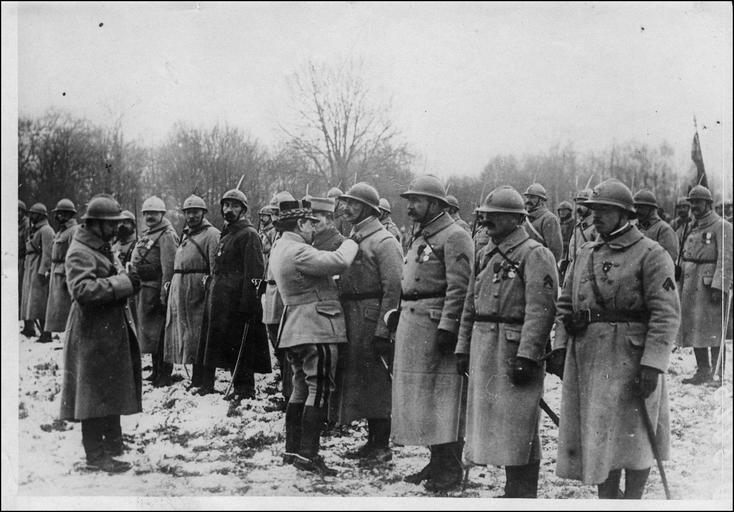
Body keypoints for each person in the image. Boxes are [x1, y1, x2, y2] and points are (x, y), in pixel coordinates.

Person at [550, 178, 680, 499]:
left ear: (626, 215)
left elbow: (665, 314)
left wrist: (653, 364)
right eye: (594, 210)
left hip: (631, 357)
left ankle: (632, 499)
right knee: (599, 434)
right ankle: (607, 498)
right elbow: (566, 303)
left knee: (634, 436)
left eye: (605, 211)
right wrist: (560, 347)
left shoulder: (651, 253)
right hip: (590, 358)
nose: (596, 217)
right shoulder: (586, 252)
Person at [457, 186, 557, 498]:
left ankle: (522, 492)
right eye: (485, 216)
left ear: (515, 219)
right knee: (495, 423)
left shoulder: (535, 254)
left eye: (494, 216)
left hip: (514, 350)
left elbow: (541, 311)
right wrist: (463, 347)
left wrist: (528, 355)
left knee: (520, 424)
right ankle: (512, 489)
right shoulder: (484, 252)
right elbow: (469, 306)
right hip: (485, 347)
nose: (486, 221)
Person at [391, 175, 473, 492]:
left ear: (435, 204)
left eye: (417, 201)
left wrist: (449, 327)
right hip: (415, 326)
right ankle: (436, 460)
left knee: (444, 398)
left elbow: (460, 287)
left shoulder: (454, 236)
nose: (410, 206)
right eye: (409, 200)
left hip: (435, 326)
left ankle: (450, 467)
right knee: (424, 399)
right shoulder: (423, 235)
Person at [269, 198, 359, 476]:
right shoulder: (298, 250)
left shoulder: (279, 247)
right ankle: (309, 456)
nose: (314, 228)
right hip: (316, 327)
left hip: (295, 327)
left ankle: (293, 450)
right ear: (299, 223)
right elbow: (339, 261)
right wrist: (352, 241)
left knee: (300, 388)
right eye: (310, 223)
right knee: (319, 389)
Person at [59, 194, 142, 473]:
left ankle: (112, 445)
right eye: (111, 224)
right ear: (95, 224)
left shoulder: (100, 246)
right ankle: (95, 456)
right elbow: (82, 291)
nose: (116, 229)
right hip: (91, 333)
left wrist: (126, 279)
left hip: (107, 331)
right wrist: (123, 283)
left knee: (109, 389)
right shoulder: (80, 251)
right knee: (92, 395)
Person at [332, 183, 402, 463]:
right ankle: (371, 441)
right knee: (360, 380)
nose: (345, 207)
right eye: (345, 202)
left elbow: (394, 288)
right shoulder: (356, 237)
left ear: (368, 209)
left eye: (353, 204)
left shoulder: (384, 242)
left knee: (377, 382)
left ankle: (381, 444)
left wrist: (384, 330)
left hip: (371, 318)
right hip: (352, 315)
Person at [194, 189, 271, 404]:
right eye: (226, 205)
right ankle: (235, 386)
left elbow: (255, 272)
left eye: (234, 206)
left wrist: (248, 304)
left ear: (244, 210)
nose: (229, 210)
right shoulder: (227, 233)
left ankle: (245, 390)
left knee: (242, 346)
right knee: (227, 344)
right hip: (222, 302)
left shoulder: (249, 235)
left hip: (239, 303)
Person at [677, 185, 732, 385]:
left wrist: (720, 286)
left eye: (697, 202)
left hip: (709, 285)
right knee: (694, 328)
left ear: (708, 203)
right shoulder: (692, 226)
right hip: (691, 284)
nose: (693, 206)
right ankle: (703, 370)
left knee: (714, 330)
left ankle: (718, 374)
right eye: (691, 202)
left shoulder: (721, 226)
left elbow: (726, 259)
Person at [163, 195, 220, 373]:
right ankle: (196, 378)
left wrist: (209, 287)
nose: (191, 216)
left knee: (200, 334)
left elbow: (214, 267)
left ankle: (204, 380)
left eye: (195, 212)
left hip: (198, 289)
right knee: (187, 335)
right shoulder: (186, 233)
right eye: (187, 212)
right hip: (181, 288)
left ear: (203, 213)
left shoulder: (212, 234)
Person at [130, 196, 179, 387]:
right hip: (144, 290)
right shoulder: (148, 234)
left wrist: (165, 293)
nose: (150, 216)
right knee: (149, 333)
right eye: (147, 213)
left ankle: (165, 373)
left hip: (157, 290)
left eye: (154, 213)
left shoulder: (166, 235)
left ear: (162, 214)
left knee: (160, 334)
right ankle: (156, 370)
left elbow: (169, 267)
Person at [262, 191, 295, 403]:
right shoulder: (276, 235)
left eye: (278, 213)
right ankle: (285, 384)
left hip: (285, 294)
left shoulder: (291, 235)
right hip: (271, 291)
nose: (274, 218)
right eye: (273, 213)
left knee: (287, 345)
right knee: (274, 337)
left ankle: (290, 392)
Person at [44, 199, 80, 335]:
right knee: (57, 308)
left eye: (60, 213)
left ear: (68, 214)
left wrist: (69, 275)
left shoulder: (73, 231)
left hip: (64, 274)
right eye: (57, 213)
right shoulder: (61, 232)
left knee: (67, 309)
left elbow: (74, 254)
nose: (57, 216)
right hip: (56, 271)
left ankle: (73, 335)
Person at [21, 203, 55, 342]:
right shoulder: (35, 229)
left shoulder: (46, 230)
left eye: (34, 214)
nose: (31, 216)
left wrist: (43, 271)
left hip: (38, 267)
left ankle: (46, 333)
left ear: (41, 215)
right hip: (30, 265)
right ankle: (30, 328)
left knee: (40, 301)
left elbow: (48, 254)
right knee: (30, 300)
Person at [632, 190, 679, 263]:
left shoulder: (663, 229)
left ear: (651, 209)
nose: (636, 211)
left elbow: (669, 259)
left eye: (641, 207)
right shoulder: (634, 227)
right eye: (635, 207)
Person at [523, 183, 564, 263]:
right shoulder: (524, 218)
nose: (528, 200)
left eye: (532, 197)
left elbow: (555, 251)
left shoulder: (549, 219)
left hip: (540, 266)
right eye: (527, 197)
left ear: (541, 200)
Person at [112, 210, 139, 324]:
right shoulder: (114, 246)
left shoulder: (138, 244)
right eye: (119, 222)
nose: (122, 226)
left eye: (126, 222)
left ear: (133, 225)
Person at [567, 188, 597, 265]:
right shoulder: (578, 226)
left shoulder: (596, 227)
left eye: (583, 204)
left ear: (591, 206)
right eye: (577, 203)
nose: (578, 207)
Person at [18, 200, 31, 326]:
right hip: (15, 260)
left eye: (19, 210)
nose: (16, 213)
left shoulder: (27, 225)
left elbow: (29, 245)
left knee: (24, 291)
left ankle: (29, 325)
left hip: (23, 261)